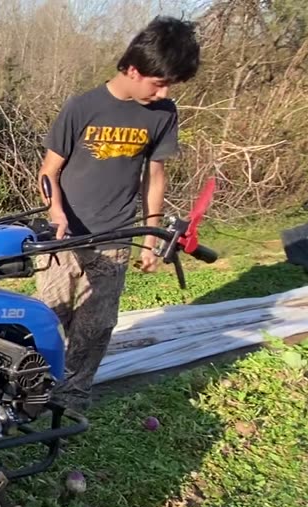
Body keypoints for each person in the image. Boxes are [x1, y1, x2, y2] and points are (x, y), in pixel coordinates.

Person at [35, 15, 201, 414]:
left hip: (115, 236)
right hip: (64, 236)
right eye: (158, 82)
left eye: (170, 85)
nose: (163, 92)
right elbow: (48, 171)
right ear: (132, 67)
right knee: (51, 316)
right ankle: (36, 388)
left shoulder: (162, 114)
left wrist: (150, 234)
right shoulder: (83, 107)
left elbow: (154, 177)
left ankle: (73, 397)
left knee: (96, 324)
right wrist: (55, 211)